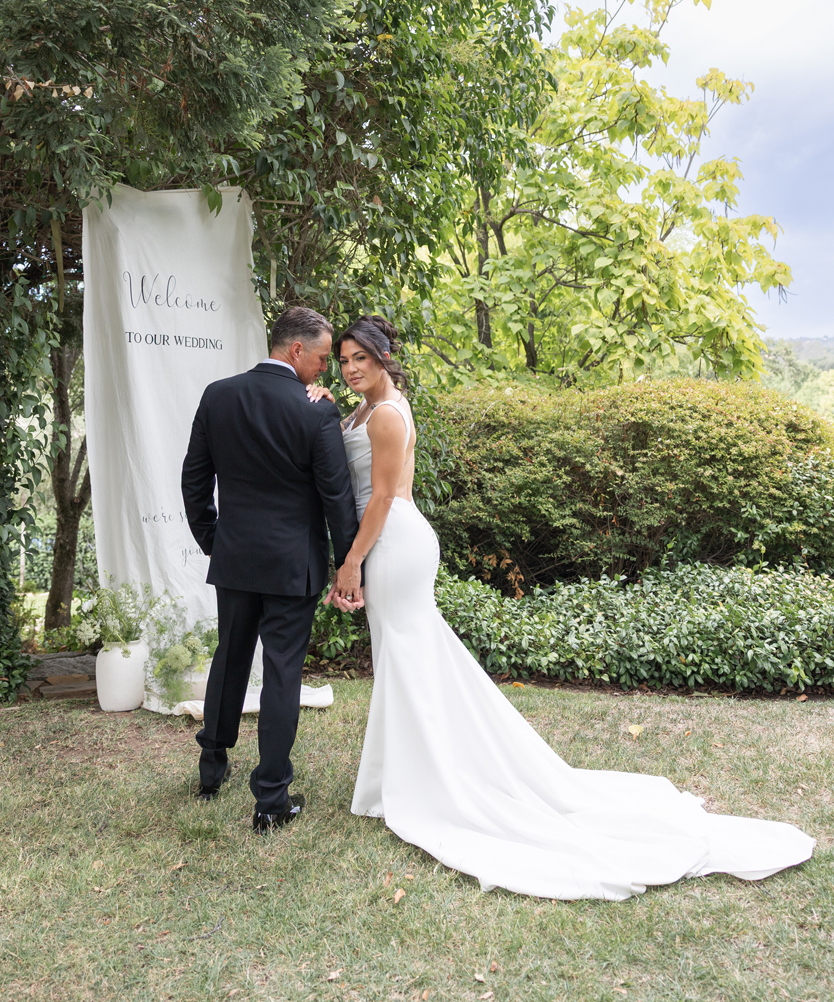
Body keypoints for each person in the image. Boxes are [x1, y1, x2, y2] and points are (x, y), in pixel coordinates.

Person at [318, 314, 814, 900]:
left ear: (383, 358)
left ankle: (427, 783)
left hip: (390, 541)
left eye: (361, 359)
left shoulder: (384, 415)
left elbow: (379, 497)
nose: (350, 369)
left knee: (408, 659)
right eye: (343, 360)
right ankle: (404, 775)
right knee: (410, 661)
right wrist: (319, 402)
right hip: (391, 541)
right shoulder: (366, 409)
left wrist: (351, 563)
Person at [181, 306, 358, 834]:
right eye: (322, 358)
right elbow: (337, 498)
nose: (325, 369)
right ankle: (271, 801)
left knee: (230, 656)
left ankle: (211, 769)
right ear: (296, 350)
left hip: (235, 558)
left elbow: (194, 481)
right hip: (293, 565)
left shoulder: (218, 395)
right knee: (283, 672)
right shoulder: (315, 413)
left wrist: (215, 541)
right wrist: (348, 563)